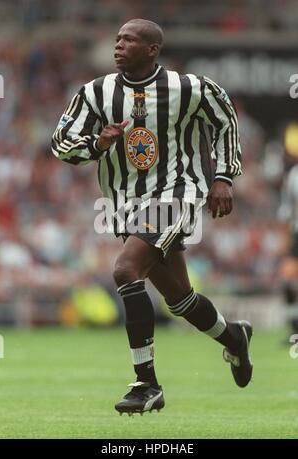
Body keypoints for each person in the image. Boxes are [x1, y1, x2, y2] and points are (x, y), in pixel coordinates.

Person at [51, 18, 253, 415]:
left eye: (129, 40)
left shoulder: (190, 87)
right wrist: (96, 143)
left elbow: (226, 120)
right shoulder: (95, 92)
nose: (119, 45)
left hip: (177, 193)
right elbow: (60, 145)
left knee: (126, 270)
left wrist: (224, 177)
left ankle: (147, 385)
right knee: (179, 299)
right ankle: (234, 339)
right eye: (117, 39)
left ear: (152, 49)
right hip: (123, 203)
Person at [278, 161, 298, 339]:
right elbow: (286, 209)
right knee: (287, 283)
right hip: (296, 235)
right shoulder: (294, 175)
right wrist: (285, 239)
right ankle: (295, 330)